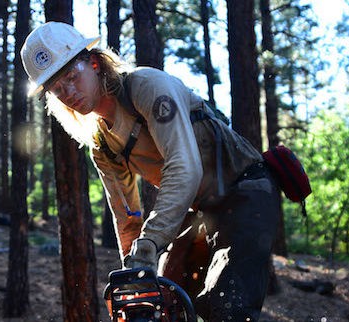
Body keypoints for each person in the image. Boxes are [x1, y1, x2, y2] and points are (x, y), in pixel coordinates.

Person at [21, 21, 281, 321]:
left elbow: (185, 166)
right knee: (163, 301)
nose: (67, 92)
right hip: (200, 209)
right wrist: (135, 269)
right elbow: (127, 217)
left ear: (93, 62)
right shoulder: (101, 144)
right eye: (56, 88)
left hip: (247, 189)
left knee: (226, 306)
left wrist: (151, 241)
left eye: (71, 77)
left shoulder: (147, 87)